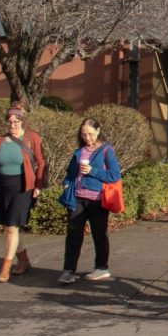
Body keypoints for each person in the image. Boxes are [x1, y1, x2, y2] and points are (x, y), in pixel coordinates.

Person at [0, 103, 46, 283]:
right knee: (9, 227)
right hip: (2, 188)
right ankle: (23, 260)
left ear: (23, 121)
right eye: (10, 121)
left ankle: (5, 268)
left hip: (22, 188)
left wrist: (39, 184)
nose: (12, 125)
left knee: (12, 227)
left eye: (16, 121)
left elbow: (41, 162)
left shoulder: (32, 138)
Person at [58, 118, 122, 284]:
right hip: (77, 197)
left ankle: (101, 267)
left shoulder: (106, 150)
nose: (87, 138)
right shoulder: (79, 151)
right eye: (84, 134)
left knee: (99, 234)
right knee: (73, 235)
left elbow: (114, 175)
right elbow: (70, 173)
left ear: (98, 131)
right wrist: (66, 184)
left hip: (97, 199)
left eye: (91, 134)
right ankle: (68, 270)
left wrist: (92, 171)